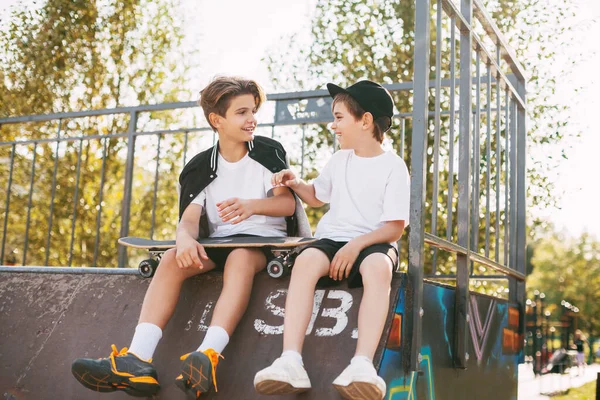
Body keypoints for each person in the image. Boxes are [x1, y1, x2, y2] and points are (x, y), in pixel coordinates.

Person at [71, 76, 310, 398]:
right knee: (171, 258)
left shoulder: (267, 152)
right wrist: (183, 239)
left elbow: (285, 205)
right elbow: (189, 220)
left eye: (253, 110)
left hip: (261, 244)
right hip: (218, 244)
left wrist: (251, 206)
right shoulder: (200, 167)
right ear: (217, 120)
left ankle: (208, 354)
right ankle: (137, 359)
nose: (251, 118)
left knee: (239, 260)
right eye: (241, 112)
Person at [254, 80, 410, 400]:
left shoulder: (393, 167)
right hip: (333, 239)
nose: (333, 125)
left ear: (365, 121)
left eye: (339, 118)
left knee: (378, 268)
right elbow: (316, 197)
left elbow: (394, 228)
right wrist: (294, 181)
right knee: (307, 260)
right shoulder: (339, 161)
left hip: (373, 242)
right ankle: (290, 361)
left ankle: (362, 365)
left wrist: (356, 246)